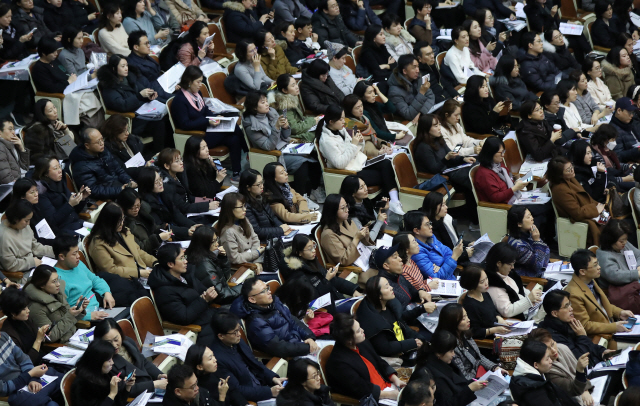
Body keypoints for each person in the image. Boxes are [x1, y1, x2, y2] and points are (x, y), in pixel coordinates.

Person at [316, 106, 405, 215]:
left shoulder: (340, 130)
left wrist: (360, 142)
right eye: (341, 120)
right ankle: (389, 202)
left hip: (359, 164)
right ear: (331, 121)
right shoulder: (326, 141)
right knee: (385, 175)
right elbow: (339, 163)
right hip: (349, 173)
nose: (344, 122)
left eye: (344, 118)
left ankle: (393, 201)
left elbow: (357, 150)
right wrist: (354, 144)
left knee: (386, 163)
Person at [243, 93, 321, 198]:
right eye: (263, 102)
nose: (267, 104)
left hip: (285, 147)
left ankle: (313, 191)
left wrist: (285, 127)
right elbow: (268, 146)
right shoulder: (252, 126)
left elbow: (285, 136)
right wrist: (276, 127)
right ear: (254, 107)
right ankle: (300, 196)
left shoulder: (271, 113)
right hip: (274, 155)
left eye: (266, 101)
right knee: (302, 164)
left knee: (314, 155)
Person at [173, 66, 245, 179]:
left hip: (208, 130)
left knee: (234, 138)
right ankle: (248, 150)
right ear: (188, 82)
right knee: (232, 127)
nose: (200, 84)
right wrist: (209, 121)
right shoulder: (179, 100)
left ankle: (236, 173)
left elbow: (205, 110)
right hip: (197, 137)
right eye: (198, 82)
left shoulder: (197, 94)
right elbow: (185, 124)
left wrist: (216, 118)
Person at [412, 114, 478, 225]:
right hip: (439, 178)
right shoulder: (423, 147)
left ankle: (474, 215)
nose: (439, 128)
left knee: (474, 167)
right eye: (435, 125)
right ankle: (475, 218)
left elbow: (451, 157)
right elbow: (434, 168)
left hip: (449, 170)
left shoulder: (438, 139)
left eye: (439, 124)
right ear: (426, 128)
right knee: (470, 180)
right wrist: (446, 158)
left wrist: (463, 159)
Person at [148, 243, 218, 344]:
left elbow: (203, 290)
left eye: (184, 257)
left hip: (208, 316)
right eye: (181, 258)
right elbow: (184, 317)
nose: (186, 261)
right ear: (170, 264)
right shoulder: (164, 290)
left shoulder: (185, 275)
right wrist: (204, 300)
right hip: (198, 330)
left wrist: (209, 295)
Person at [97, 54, 168, 152]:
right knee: (160, 124)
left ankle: (168, 151)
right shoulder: (109, 87)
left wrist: (148, 96)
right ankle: (159, 153)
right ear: (114, 68)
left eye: (126, 65)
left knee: (166, 117)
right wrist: (140, 95)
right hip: (131, 120)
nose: (126, 68)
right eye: (122, 66)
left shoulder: (130, 78)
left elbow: (141, 92)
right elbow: (122, 105)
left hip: (143, 114)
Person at [325, 313, 404, 402]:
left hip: (389, 386)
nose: (363, 330)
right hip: (376, 397)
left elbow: (379, 361)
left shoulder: (361, 342)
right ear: (349, 340)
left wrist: (395, 379)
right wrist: (390, 395)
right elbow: (360, 389)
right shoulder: (338, 363)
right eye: (358, 331)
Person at [230, 277, 317, 357]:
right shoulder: (256, 322)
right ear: (252, 299)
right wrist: (306, 347)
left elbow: (292, 320)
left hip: (299, 344)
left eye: (267, 288)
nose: (269, 292)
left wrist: (309, 337)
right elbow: (279, 348)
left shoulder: (274, 303)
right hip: (291, 356)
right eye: (263, 291)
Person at [210, 311, 286, 402]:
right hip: (252, 397)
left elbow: (255, 363)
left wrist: (273, 378)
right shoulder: (217, 359)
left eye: (239, 329)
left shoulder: (237, 342)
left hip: (262, 385)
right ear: (221, 336)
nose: (239, 334)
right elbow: (237, 390)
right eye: (235, 332)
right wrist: (269, 392)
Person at [566, 249, 635, 339]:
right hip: (601, 337)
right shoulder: (573, 294)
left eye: (597, 263)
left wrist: (619, 312)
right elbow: (584, 325)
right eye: (595, 265)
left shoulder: (590, 280)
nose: (599, 267)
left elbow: (601, 306)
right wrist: (614, 327)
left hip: (611, 328)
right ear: (582, 271)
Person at [282, 233, 359, 311]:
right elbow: (314, 298)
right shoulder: (296, 274)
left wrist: (353, 290)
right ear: (299, 253)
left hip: (334, 300)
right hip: (324, 310)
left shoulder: (311, 261)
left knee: (362, 300)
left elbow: (334, 280)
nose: (314, 251)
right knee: (358, 307)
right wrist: (326, 280)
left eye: (314, 246)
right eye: (310, 249)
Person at [95, 318, 167, 397]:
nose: (114, 345)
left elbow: (144, 362)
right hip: (137, 396)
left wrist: (159, 375)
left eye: (116, 339)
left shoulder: (128, 342)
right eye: (108, 342)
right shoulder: (106, 362)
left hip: (150, 386)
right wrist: (154, 384)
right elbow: (123, 389)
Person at [87, 201, 157, 280]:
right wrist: (139, 273)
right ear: (109, 222)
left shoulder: (123, 231)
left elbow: (138, 252)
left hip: (142, 273)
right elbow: (111, 270)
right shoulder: (98, 244)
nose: (122, 223)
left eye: (122, 219)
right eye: (118, 221)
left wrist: (154, 262)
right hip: (127, 281)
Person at [538, 290, 608, 368]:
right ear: (555, 313)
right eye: (566, 306)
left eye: (570, 304)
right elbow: (580, 359)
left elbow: (589, 344)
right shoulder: (552, 336)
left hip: (595, 364)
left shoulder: (566, 322)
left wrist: (602, 351)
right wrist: (582, 336)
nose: (571, 308)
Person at [414, 330, 485, 406]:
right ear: (439, 353)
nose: (453, 354)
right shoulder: (431, 374)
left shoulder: (444, 361)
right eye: (451, 351)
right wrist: (470, 389)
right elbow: (447, 403)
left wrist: (479, 380)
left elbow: (460, 383)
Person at [53, 235, 115, 322]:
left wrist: (106, 292)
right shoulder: (56, 279)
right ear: (62, 257)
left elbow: (94, 279)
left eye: (78, 252)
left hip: (99, 304)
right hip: (86, 317)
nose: (78, 256)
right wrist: (87, 316)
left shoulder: (77, 264)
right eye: (74, 254)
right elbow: (64, 312)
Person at [22, 264, 87, 345]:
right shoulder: (35, 308)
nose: (58, 284)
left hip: (74, 335)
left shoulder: (56, 293)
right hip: (62, 344)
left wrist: (78, 309)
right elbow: (50, 337)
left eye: (57, 279)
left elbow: (68, 317)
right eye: (54, 281)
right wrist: (71, 315)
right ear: (42, 285)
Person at [528, 328, 596, 406]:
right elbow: (571, 388)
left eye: (553, 344)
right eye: (548, 349)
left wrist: (585, 390)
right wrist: (580, 371)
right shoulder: (547, 369)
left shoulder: (562, 348)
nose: (553, 350)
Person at [548, 156, 605, 245]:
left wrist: (598, 207)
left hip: (590, 214)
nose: (572, 170)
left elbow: (587, 198)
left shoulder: (569, 179)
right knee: (614, 231)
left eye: (571, 166)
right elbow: (577, 213)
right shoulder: (560, 190)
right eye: (568, 170)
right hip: (582, 222)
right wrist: (596, 209)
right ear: (559, 175)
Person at [435, 303, 501, 380]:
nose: (468, 320)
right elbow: (464, 376)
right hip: (472, 382)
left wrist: (495, 368)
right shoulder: (450, 347)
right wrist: (484, 378)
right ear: (452, 322)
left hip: (481, 373)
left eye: (466, 316)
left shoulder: (464, 333)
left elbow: (479, 357)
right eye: (463, 319)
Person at [510, 339, 583, 406]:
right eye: (547, 359)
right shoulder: (534, 392)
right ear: (536, 365)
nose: (551, 361)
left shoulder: (528, 377)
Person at [319, 193, 376, 279]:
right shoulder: (328, 234)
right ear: (333, 211)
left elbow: (362, 244)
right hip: (355, 270)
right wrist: (356, 238)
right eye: (343, 208)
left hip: (366, 260)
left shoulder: (348, 221)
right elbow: (343, 260)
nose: (347, 210)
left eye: (347, 206)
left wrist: (365, 236)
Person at [32, 154, 91, 237]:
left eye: (59, 167)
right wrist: (69, 205)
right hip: (63, 232)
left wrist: (81, 198)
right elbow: (52, 222)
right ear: (45, 173)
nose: (60, 170)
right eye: (55, 168)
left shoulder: (60, 183)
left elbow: (74, 211)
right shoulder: (42, 194)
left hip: (76, 223)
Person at [0, 331, 62, 406]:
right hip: (14, 391)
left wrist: (32, 378)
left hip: (26, 378)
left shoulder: (3, 336)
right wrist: (30, 375)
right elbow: (4, 389)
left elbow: (24, 359)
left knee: (66, 382)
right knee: (51, 404)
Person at [137, 167, 199, 242]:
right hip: (166, 236)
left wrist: (193, 225)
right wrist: (186, 231)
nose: (160, 183)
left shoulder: (164, 192)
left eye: (160, 179)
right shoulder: (146, 205)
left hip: (176, 228)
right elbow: (161, 227)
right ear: (147, 185)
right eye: (156, 182)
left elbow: (176, 214)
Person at [157, 148, 218, 221]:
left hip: (188, 209)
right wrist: (207, 205)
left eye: (181, 159)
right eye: (177, 161)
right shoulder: (167, 185)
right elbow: (182, 207)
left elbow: (187, 197)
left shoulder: (178, 175)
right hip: (182, 217)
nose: (181, 163)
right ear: (167, 166)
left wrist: (205, 200)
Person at [185, 225, 241, 304]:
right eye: (213, 242)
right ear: (204, 244)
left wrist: (223, 258)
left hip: (226, 294)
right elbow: (222, 295)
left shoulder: (206, 256)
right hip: (220, 305)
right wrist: (244, 287)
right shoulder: (204, 264)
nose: (217, 244)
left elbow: (224, 278)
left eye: (216, 239)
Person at [484, 242, 542, 319]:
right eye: (510, 264)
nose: (512, 267)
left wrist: (534, 296)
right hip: (522, 318)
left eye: (513, 264)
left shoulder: (507, 274)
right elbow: (507, 311)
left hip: (529, 309)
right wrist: (529, 300)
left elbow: (520, 290)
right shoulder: (494, 285)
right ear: (499, 263)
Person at [72, 339, 137, 406]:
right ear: (98, 362)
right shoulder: (83, 385)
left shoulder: (104, 375)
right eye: (109, 360)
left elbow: (120, 403)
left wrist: (127, 387)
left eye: (112, 359)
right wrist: (112, 394)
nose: (112, 362)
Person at [404, 210, 463, 281]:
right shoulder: (417, 251)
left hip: (450, 277)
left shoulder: (431, 237)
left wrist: (441, 267)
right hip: (440, 286)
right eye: (427, 224)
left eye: (430, 223)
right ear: (416, 230)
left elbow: (448, 252)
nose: (431, 226)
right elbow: (437, 277)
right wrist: (454, 257)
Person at [596, 219, 640, 313]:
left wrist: (638, 266)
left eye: (626, 239)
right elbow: (616, 276)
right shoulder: (604, 255)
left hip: (632, 281)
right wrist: (636, 273)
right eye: (621, 241)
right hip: (619, 288)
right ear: (611, 240)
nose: (624, 242)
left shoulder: (624, 244)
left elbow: (638, 255)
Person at [460, 264, 512, 339]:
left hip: (498, 330)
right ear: (472, 284)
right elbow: (475, 331)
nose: (486, 283)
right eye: (482, 282)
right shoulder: (470, 305)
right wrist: (495, 330)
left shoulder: (485, 294)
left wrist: (500, 319)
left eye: (486, 278)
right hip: (488, 338)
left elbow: (494, 311)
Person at [0, 200, 54, 273]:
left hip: (34, 263)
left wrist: (56, 251)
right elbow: (11, 265)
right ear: (16, 219)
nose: (28, 224)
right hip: (22, 273)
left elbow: (35, 247)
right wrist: (31, 262)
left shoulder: (23, 226)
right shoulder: (3, 237)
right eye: (26, 220)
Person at [421, 191, 474, 264]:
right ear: (433, 207)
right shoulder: (430, 230)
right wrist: (465, 254)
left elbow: (456, 240)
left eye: (445, 204)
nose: (446, 207)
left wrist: (468, 243)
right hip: (453, 260)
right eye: (442, 205)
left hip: (459, 253)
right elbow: (442, 256)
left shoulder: (445, 220)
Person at [216, 192, 265, 269]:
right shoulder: (228, 232)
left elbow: (255, 239)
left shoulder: (244, 220)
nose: (245, 209)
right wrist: (257, 253)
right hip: (241, 269)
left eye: (244, 205)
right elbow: (235, 258)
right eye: (241, 207)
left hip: (254, 263)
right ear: (230, 209)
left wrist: (257, 261)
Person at [0, 285, 49, 363]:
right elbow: (26, 362)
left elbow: (37, 338)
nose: (28, 310)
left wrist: (43, 336)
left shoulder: (25, 319)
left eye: (27, 307)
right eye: (24, 309)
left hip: (44, 359)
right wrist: (38, 340)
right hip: (33, 369)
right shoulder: (8, 334)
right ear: (13, 312)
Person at [239, 168, 288, 242]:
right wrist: (280, 230)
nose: (262, 186)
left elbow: (273, 217)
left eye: (262, 183)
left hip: (272, 234)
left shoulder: (261, 196)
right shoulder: (245, 206)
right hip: (261, 241)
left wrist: (282, 226)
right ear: (248, 188)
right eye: (258, 184)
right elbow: (257, 231)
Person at [117, 188, 170, 255]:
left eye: (138, 206)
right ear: (123, 208)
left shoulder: (142, 212)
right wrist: (158, 238)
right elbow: (140, 248)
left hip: (157, 248)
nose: (136, 209)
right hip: (149, 254)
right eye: (132, 208)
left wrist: (162, 228)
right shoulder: (124, 225)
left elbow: (151, 228)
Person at [387, 54, 436, 124]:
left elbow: (431, 96)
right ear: (405, 71)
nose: (418, 70)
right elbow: (408, 114)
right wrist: (421, 93)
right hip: (408, 123)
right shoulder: (394, 92)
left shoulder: (417, 79)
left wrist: (420, 112)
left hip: (422, 116)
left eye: (418, 66)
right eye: (414, 67)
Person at [272, 73, 321, 142]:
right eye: (293, 85)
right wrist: (312, 121)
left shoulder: (291, 97)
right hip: (293, 136)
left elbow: (300, 119)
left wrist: (313, 120)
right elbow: (294, 129)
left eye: (296, 83)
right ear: (284, 90)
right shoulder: (284, 105)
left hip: (301, 128)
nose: (297, 87)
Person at [506, 206, 551, 278]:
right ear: (519, 224)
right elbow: (538, 265)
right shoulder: (518, 246)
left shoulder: (529, 234)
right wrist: (537, 240)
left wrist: (537, 241)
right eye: (528, 217)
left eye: (531, 215)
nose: (532, 218)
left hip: (544, 271)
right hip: (531, 278)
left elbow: (547, 251)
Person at [339, 175, 387, 241]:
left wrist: (384, 210)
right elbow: (367, 240)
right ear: (352, 193)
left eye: (365, 184)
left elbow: (381, 224)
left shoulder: (365, 201)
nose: (366, 189)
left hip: (379, 237)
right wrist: (379, 221)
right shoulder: (351, 214)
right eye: (361, 188)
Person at [590, 124, 634, 192]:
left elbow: (616, 165)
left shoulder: (606, 149)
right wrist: (624, 179)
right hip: (611, 183)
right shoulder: (596, 155)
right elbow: (606, 177)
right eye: (612, 140)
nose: (614, 142)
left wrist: (630, 166)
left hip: (618, 176)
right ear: (605, 140)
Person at [0, 118, 27, 184]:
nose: (13, 132)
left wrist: (22, 148)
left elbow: (25, 167)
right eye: (10, 129)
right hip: (13, 187)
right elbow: (6, 179)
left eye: (13, 129)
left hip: (21, 180)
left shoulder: (12, 144)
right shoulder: (1, 147)